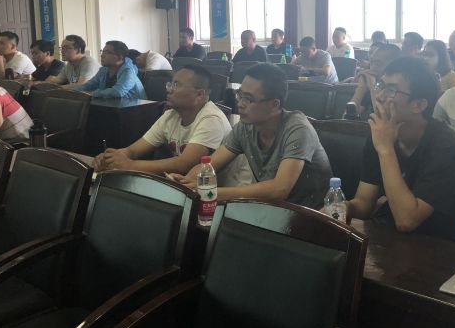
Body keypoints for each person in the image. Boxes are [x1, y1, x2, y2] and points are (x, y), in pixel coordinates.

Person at [172, 64, 333, 209]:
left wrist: (211, 192)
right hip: (272, 209)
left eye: (248, 99)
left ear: (274, 105)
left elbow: (279, 189)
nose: (240, 104)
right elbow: (210, 164)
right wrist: (187, 182)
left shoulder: (298, 129)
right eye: (239, 95)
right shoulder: (245, 126)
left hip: (312, 213)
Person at [347, 56, 455, 240]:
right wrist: (344, 207)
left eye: (391, 90)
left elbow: (407, 220)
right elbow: (364, 203)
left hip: (440, 243)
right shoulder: (382, 133)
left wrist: (386, 149)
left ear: (419, 105)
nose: (379, 96)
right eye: (380, 86)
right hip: (392, 236)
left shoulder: (446, 145)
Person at [93, 64, 231, 176]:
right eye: (170, 84)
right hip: (188, 184)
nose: (169, 90)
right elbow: (132, 151)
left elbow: (184, 164)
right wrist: (110, 158)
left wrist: (130, 165)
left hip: (217, 191)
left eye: (176, 85)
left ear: (199, 94)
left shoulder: (212, 119)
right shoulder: (170, 115)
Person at [72, 40, 146, 99]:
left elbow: (117, 92)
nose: (102, 55)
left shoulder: (128, 71)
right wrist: (74, 92)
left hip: (136, 109)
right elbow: (89, 85)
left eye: (107, 53)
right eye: (102, 52)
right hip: (114, 106)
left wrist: (92, 93)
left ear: (120, 57)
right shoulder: (103, 70)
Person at [351, 44, 402, 117]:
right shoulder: (375, 83)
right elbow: (347, 118)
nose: (373, 68)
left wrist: (373, 87)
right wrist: (361, 88)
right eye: (372, 63)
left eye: (378, 64)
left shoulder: (398, 90)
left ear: (394, 66)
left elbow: (384, 119)